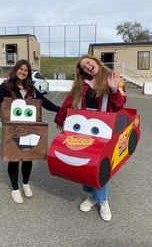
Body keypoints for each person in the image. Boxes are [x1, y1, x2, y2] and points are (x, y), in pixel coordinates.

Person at [0, 59, 59, 204]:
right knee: (14, 158)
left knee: (28, 157)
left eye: (26, 70)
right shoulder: (6, 87)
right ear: (16, 70)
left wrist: (62, 110)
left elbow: (46, 103)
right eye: (20, 69)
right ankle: (15, 189)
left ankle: (26, 184)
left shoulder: (31, 89)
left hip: (29, 128)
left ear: (28, 73)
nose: (23, 72)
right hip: (12, 130)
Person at [54, 54, 126, 221]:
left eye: (88, 62)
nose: (87, 66)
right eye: (83, 66)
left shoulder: (113, 77)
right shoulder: (81, 83)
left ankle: (103, 200)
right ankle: (93, 197)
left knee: (101, 165)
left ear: (95, 61)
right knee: (86, 162)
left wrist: (114, 90)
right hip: (84, 127)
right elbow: (69, 100)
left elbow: (120, 105)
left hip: (105, 128)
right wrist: (60, 118)